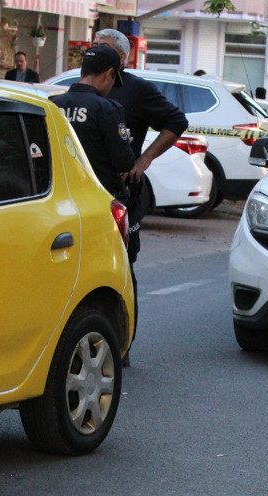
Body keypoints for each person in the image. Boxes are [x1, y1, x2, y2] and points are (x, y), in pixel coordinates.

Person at [92, 28, 189, 362]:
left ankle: (122, 344)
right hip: (82, 194)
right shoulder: (80, 89)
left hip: (123, 196)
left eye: (103, 49)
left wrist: (144, 159)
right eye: (94, 48)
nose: (96, 54)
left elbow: (177, 120)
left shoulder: (137, 89)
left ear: (122, 57)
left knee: (122, 266)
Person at [51, 45, 135, 200]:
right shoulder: (107, 109)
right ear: (109, 74)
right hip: (97, 196)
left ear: (83, 71)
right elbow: (124, 162)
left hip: (59, 195)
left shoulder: (53, 105)